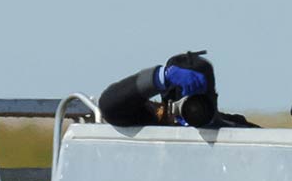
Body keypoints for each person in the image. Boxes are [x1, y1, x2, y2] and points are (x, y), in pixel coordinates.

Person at [96, 51, 252, 129]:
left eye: (200, 101)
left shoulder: (234, 131)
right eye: (187, 102)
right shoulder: (153, 124)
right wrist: (160, 77)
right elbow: (110, 106)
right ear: (169, 103)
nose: (194, 110)